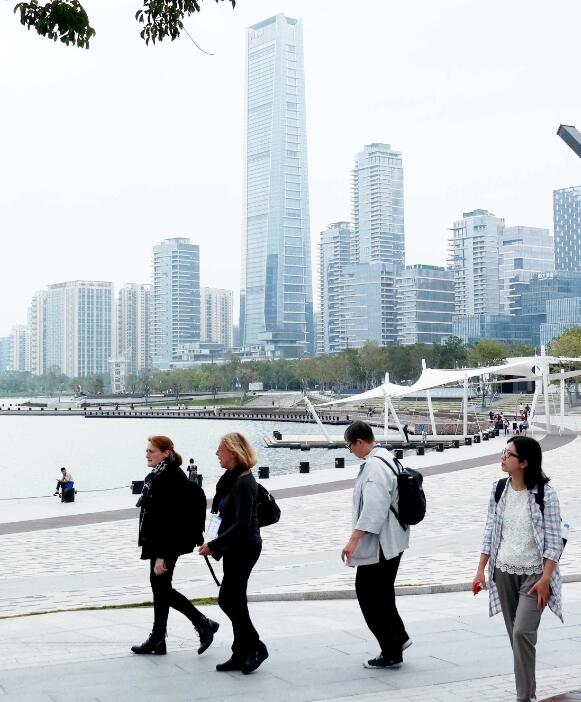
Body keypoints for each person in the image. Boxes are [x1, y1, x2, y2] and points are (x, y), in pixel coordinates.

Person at [473, 436, 563, 702]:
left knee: (523, 632)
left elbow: (554, 541)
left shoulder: (545, 494)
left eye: (508, 454)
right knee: (515, 637)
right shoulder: (499, 489)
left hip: (535, 576)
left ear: (523, 463)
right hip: (503, 572)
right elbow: (490, 531)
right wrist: (480, 569)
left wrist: (545, 579)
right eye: (504, 451)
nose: (503, 457)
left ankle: (523, 697)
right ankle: (527, 692)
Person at [131, 435, 218, 656]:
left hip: (166, 542)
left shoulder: (168, 476)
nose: (147, 454)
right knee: (160, 587)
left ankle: (202, 623)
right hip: (161, 540)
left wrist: (161, 555)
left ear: (166, 453)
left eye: (151, 451)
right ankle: (159, 639)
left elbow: (168, 519)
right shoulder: (162, 473)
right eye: (147, 450)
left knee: (162, 588)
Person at [341, 421, 411, 669]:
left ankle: (391, 651)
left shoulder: (374, 467)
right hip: (395, 539)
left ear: (360, 442)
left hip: (382, 542)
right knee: (383, 593)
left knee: (368, 594)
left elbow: (374, 508)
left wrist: (353, 540)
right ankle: (398, 638)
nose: (350, 451)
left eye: (350, 446)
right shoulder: (387, 458)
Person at [198, 433, 267, 674]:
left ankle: (256, 646)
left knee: (227, 600)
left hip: (245, 547)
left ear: (234, 453)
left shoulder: (244, 483)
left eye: (221, 450)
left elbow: (242, 524)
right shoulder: (232, 479)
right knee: (236, 600)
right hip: (234, 547)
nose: (217, 454)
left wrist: (214, 545)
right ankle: (240, 652)